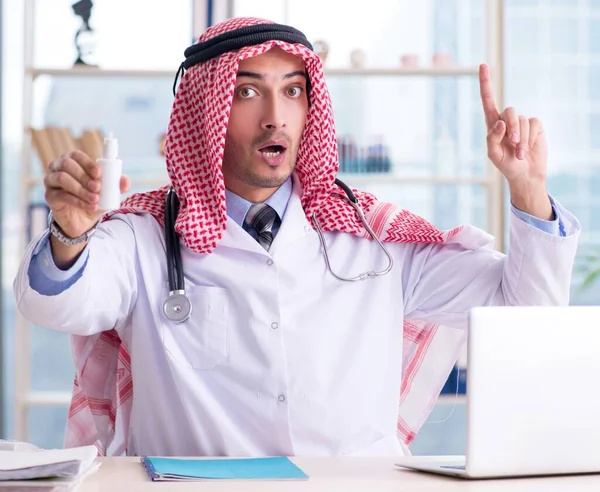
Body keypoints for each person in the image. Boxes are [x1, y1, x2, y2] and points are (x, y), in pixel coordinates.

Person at [14, 17, 579, 458]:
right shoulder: (145, 238)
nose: (275, 117)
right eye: (246, 93)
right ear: (204, 113)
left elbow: (526, 308)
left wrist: (527, 189)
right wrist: (68, 232)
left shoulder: (373, 238)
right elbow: (57, 302)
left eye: (292, 91)